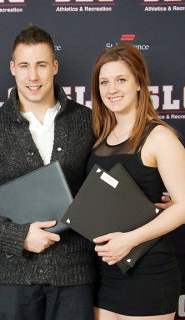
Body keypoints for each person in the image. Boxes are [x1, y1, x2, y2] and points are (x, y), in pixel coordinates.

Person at [0, 24, 96, 320]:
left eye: (41, 65)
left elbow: (106, 188)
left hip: (75, 275)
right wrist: (17, 237)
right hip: (14, 277)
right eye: (25, 66)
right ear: (13, 68)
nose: (33, 76)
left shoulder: (87, 122)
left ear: (54, 67)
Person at [88, 43, 185, 319]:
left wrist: (129, 240)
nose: (112, 89)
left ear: (139, 83)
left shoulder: (160, 137)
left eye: (121, 80)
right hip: (104, 273)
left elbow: (183, 206)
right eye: (104, 82)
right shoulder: (98, 139)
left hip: (148, 273)